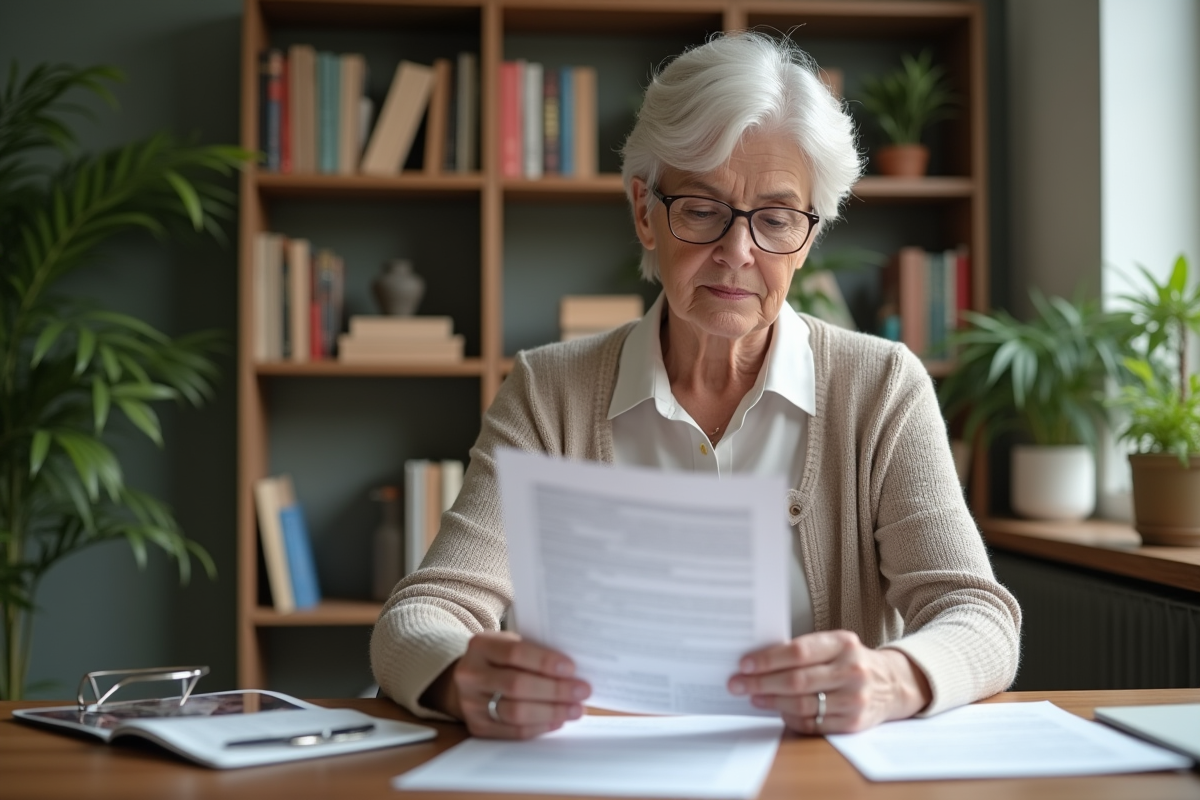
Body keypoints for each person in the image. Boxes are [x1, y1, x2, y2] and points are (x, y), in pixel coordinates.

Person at [370, 31, 1021, 740]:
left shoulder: (880, 388)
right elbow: (419, 616)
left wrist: (891, 679)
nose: (737, 253)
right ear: (645, 211)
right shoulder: (548, 390)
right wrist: (463, 679)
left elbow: (978, 616)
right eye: (704, 210)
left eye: (776, 218)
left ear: (809, 237)